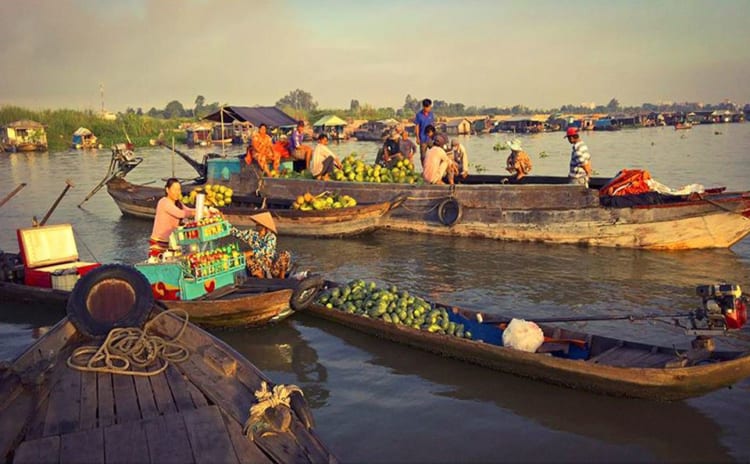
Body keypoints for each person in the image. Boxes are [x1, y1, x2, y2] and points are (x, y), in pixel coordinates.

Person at [232, 213, 290, 278]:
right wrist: (225, 223)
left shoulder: (271, 237)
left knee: (285, 254)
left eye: (258, 224)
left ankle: (282, 278)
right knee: (248, 258)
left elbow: (266, 250)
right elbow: (237, 233)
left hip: (272, 267)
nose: (256, 225)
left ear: (263, 226)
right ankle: (261, 278)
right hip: (259, 266)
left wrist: (251, 252)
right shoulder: (252, 234)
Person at [149, 178, 195, 258]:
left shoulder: (178, 203)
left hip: (172, 242)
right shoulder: (164, 202)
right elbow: (180, 214)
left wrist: (205, 211)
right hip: (159, 243)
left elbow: (187, 210)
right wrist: (194, 213)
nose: (177, 192)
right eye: (175, 190)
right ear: (167, 190)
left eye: (179, 190)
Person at [413, 98, 435, 166]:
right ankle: (424, 169)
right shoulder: (419, 115)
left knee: (435, 152)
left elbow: (432, 125)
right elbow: (417, 127)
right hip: (422, 138)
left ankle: (434, 167)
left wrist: (434, 135)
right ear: (424, 107)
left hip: (431, 138)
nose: (430, 108)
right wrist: (417, 138)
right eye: (428, 107)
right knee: (423, 156)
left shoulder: (431, 114)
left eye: (430, 106)